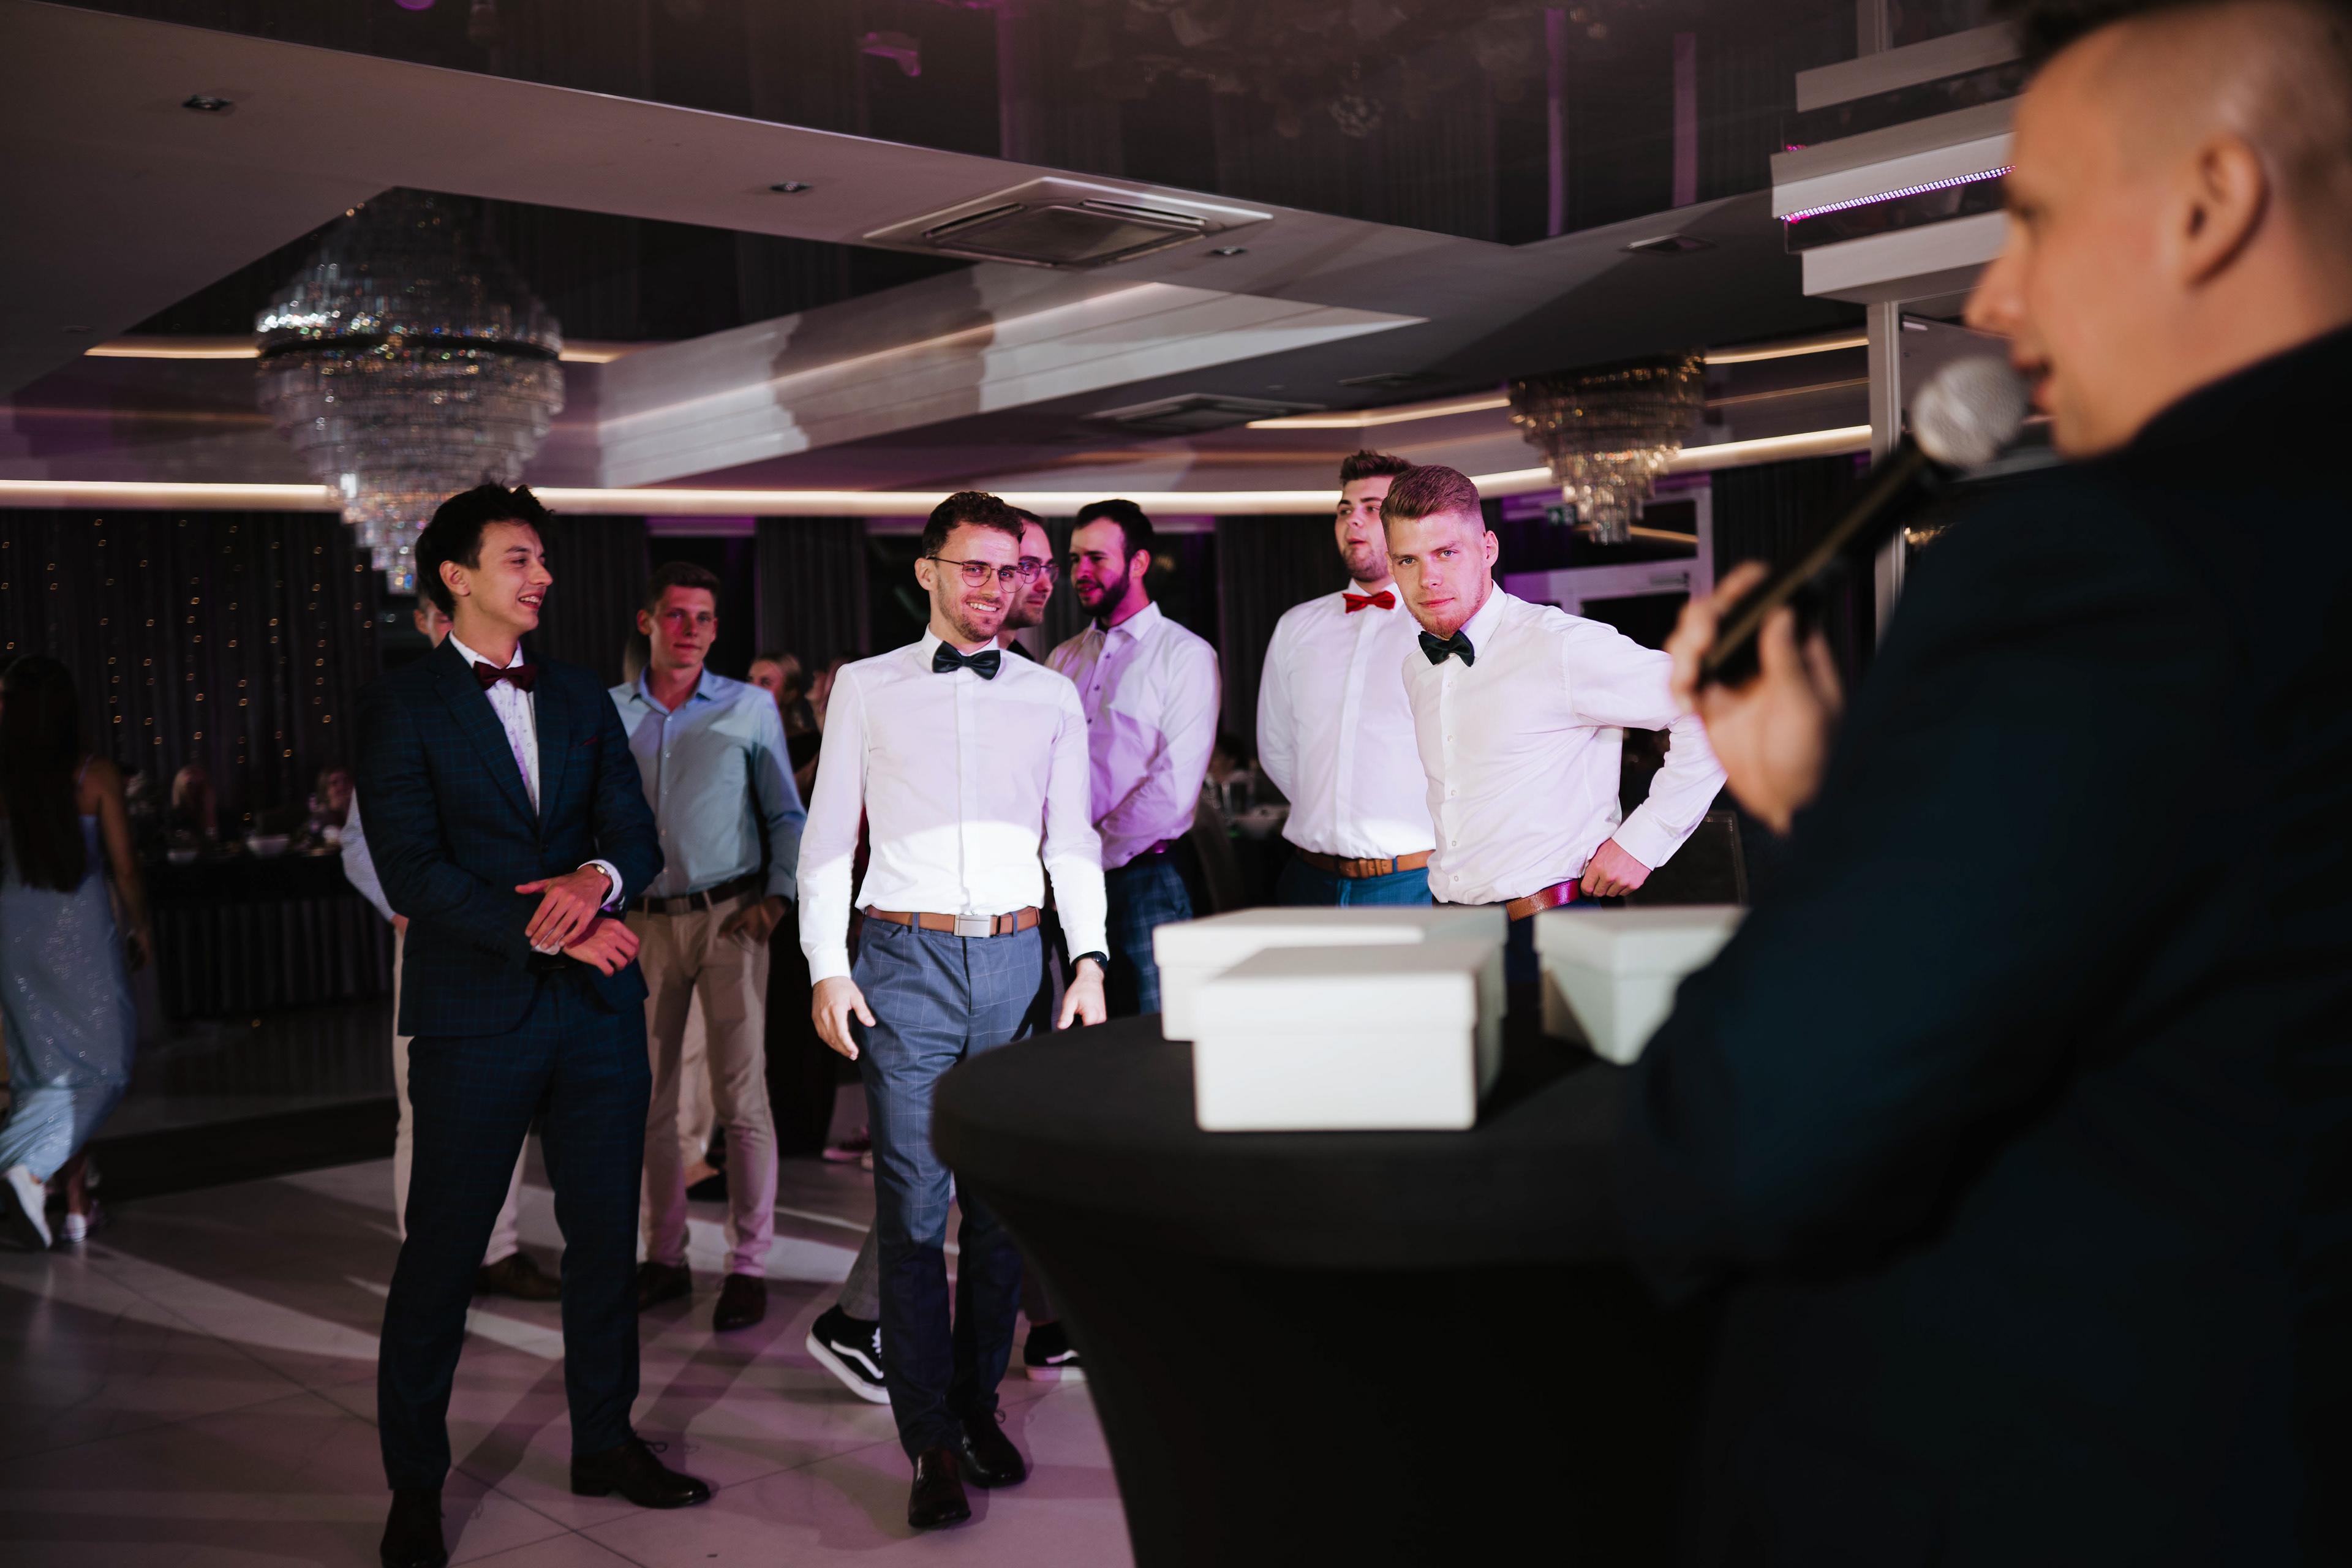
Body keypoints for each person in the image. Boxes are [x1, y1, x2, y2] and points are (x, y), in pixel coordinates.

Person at [1614, 1, 2352, 1558]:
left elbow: (1749, 1133)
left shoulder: (2104, 564)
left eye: (2032, 217)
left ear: (2211, 202)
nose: (1995, 295)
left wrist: (1831, 845)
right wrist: (1836, 798)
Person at [359, 484, 708, 1568]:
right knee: (442, 1257)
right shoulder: (403, 704)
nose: (542, 576)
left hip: (596, 1019)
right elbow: (415, 874)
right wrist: (557, 931)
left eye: (543, 559)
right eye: (519, 558)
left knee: (604, 1246)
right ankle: (416, 1485)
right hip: (475, 1018)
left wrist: (598, 881)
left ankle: (604, 1441)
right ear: (455, 576)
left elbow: (635, 837)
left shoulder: (578, 694)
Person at [799, 490, 1109, 1531]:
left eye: (1008, 570)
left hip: (1019, 961)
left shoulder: (1049, 696)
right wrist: (826, 966)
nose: (993, 587)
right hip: (904, 962)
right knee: (912, 1212)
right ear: (927, 571)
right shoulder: (868, 687)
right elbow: (826, 840)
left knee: (1001, 1215)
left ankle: (978, 1409)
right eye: (972, 567)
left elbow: (1072, 840)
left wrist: (1089, 959)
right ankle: (928, 1438)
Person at [1382, 464, 1724, 999]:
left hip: (1550, 929)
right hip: (1451, 932)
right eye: (1409, 559)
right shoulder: (1416, 669)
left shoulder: (1560, 647)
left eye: (1447, 552)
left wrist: (1645, 839)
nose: (1428, 578)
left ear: (1488, 549)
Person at [343, 596, 563, 1305]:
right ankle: (433, 1260)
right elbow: (360, 845)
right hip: (435, 938)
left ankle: (498, 1250)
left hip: (513, 934)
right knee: (426, 1108)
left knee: (510, 1099)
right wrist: (410, 911)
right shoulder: (405, 706)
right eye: (443, 619)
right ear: (425, 622)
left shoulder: (531, 698)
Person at [612, 561, 806, 1332]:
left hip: (731, 919)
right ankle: (663, 1257)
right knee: (651, 1100)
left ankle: (749, 1265)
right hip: (642, 925)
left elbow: (785, 813)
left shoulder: (749, 706)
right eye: (676, 615)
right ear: (647, 622)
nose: (690, 629)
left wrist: (778, 899)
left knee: (742, 1099)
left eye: (703, 618)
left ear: (716, 629)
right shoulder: (610, 712)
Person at [1047, 499, 1219, 1016]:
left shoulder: (1185, 656)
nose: (1081, 572)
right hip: (1069, 884)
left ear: (1139, 563)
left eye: (1096, 558)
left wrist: (1087, 854)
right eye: (1075, 559)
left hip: (1147, 877)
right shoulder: (1062, 658)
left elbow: (1173, 792)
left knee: (1152, 1036)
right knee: (1084, 1035)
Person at [0, 657, 148, 1252]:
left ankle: (35, 1178)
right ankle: (29, 1169)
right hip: (79, 934)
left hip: (14, 935)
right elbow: (126, 867)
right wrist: (142, 927)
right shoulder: (95, 774)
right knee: (105, 1066)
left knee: (39, 1073)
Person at [1259, 450, 1436, 907]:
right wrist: (1330, 811)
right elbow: (1276, 748)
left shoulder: (1441, 626)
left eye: (1372, 509)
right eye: (1344, 509)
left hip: (1411, 880)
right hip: (1307, 878)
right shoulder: (1297, 626)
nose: (1352, 520)